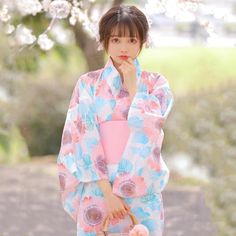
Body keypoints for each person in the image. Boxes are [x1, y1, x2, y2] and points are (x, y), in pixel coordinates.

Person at [57, 4, 174, 236]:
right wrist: (109, 194)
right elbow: (82, 136)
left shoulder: (156, 84)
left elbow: (152, 130)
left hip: (141, 184)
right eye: (116, 39)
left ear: (142, 42)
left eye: (132, 40)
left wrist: (135, 89)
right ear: (105, 40)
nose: (124, 48)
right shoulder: (88, 84)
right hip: (98, 184)